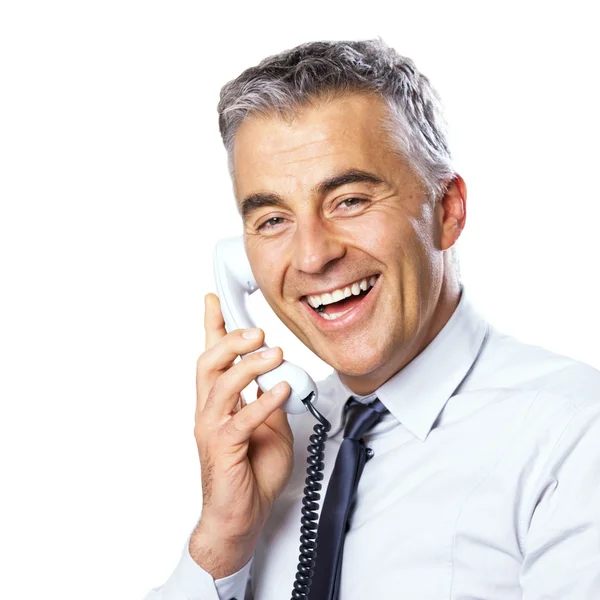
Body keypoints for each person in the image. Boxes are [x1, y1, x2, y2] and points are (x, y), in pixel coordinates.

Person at [145, 39, 600, 600]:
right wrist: (222, 541)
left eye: (350, 200)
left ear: (447, 211)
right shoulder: (278, 447)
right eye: (272, 220)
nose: (312, 257)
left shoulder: (575, 436)